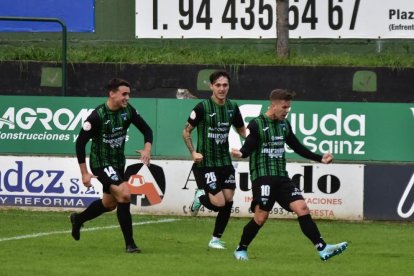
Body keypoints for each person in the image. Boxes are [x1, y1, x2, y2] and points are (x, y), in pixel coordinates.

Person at [231, 89, 348, 261]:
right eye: (284, 107)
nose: (287, 111)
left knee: (302, 208)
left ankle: (323, 248)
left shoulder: (285, 125)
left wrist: (319, 158)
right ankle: (241, 248)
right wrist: (241, 153)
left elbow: (297, 146)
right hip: (263, 177)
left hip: (282, 178)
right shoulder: (257, 124)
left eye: (288, 107)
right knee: (261, 217)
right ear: (273, 105)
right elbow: (248, 146)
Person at [71, 78, 153, 253]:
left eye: (129, 94)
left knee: (109, 204)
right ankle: (130, 244)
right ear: (112, 93)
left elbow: (147, 130)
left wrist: (147, 148)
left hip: (117, 163)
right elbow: (80, 144)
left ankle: (78, 219)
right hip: (101, 163)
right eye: (124, 94)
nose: (127, 98)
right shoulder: (97, 116)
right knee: (124, 195)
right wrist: (84, 173)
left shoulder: (128, 111)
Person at [182, 70, 247, 249]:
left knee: (229, 199)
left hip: (225, 162)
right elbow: (186, 131)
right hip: (206, 163)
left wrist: (249, 145)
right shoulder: (202, 107)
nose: (222, 88)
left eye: (225, 85)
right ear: (211, 86)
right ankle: (200, 196)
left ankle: (215, 240)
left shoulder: (233, 107)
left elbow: (242, 130)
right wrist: (193, 152)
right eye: (218, 85)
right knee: (219, 203)